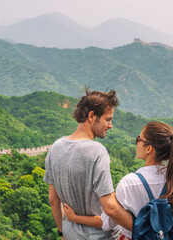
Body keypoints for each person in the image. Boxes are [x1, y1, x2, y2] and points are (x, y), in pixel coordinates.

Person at [63, 121, 173, 239]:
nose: (136, 142)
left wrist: (75, 218)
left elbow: (108, 223)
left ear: (149, 149)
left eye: (139, 139)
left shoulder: (129, 183)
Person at [44, 88, 131, 239]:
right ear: (92, 116)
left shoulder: (55, 148)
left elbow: (53, 200)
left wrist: (62, 231)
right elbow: (110, 207)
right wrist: (137, 225)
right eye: (108, 119)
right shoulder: (97, 151)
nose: (110, 125)